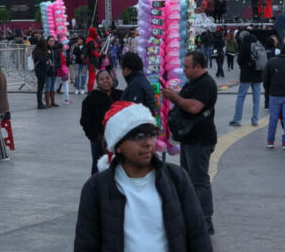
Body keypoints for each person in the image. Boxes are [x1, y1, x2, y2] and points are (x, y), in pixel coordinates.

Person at [72, 101, 212, 252]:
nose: (147, 143)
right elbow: (86, 244)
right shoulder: (96, 187)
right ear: (118, 145)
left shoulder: (177, 178)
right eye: (138, 136)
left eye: (151, 134)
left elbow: (198, 235)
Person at [163, 51, 218, 234]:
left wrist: (176, 98)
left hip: (200, 140)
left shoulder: (206, 84)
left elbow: (194, 107)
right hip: (189, 139)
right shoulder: (193, 83)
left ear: (198, 67)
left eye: (187, 67)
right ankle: (192, 216)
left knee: (200, 180)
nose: (184, 70)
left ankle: (205, 221)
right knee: (188, 179)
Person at [80, 68, 121, 174]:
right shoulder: (91, 99)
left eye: (107, 78)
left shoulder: (120, 95)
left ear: (112, 79)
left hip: (118, 139)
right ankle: (95, 188)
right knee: (98, 166)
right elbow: (85, 121)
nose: (105, 81)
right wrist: (96, 136)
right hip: (99, 140)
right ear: (97, 83)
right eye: (101, 79)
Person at [262, 42, 285, 150]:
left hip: (274, 94)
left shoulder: (271, 62)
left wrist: (269, 91)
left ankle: (270, 141)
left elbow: (265, 79)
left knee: (273, 118)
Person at [229, 30, 264, 126]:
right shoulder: (258, 43)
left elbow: (239, 60)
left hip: (246, 75)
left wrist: (244, 66)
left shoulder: (244, 45)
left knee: (241, 97)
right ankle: (255, 120)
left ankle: (237, 120)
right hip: (257, 75)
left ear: (242, 37)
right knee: (256, 99)